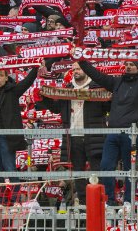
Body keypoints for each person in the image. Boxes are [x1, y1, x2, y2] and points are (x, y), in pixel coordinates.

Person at [76, 50, 138, 204]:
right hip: (113, 133)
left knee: (129, 169)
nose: (128, 67)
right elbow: (98, 76)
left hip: (132, 135)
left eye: (132, 64)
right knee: (106, 166)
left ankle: (128, 201)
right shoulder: (117, 82)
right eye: (127, 64)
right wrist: (82, 61)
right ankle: (110, 201)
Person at [41, 62, 109, 204]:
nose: (76, 71)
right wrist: (43, 98)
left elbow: (107, 107)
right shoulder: (67, 89)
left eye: (78, 68)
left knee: (97, 172)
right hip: (73, 137)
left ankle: (99, 203)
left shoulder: (97, 87)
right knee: (78, 173)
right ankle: (84, 204)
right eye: (73, 69)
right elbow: (56, 108)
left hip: (94, 137)